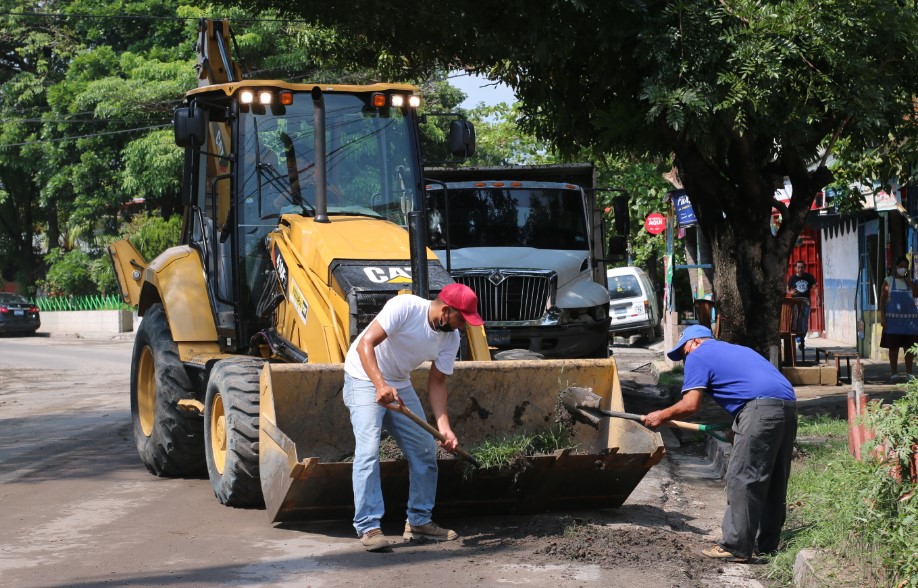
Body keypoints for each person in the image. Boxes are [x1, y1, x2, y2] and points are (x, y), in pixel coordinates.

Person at [342, 283, 484, 551]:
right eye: (461, 320)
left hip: (399, 383)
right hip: (362, 376)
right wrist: (380, 385)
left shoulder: (450, 339)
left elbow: (438, 382)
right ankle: (369, 526)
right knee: (369, 450)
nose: (463, 327)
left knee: (424, 449)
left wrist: (445, 429)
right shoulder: (404, 307)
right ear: (445, 310)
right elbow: (365, 344)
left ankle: (419, 521)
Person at [644, 325, 797, 562]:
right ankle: (766, 545)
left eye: (683, 352)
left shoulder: (698, 355)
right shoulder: (738, 350)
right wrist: (740, 429)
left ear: (694, 342)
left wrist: (661, 416)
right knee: (774, 479)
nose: (685, 359)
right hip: (787, 408)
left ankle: (735, 545)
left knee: (743, 477)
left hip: (758, 410)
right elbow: (753, 389)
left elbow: (690, 405)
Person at [879, 255, 918, 380]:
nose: (903, 269)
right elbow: (882, 301)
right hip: (893, 322)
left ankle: (909, 373)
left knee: (909, 349)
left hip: (910, 323)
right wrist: (883, 318)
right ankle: (894, 372)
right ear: (896, 267)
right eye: (901, 266)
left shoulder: (910, 283)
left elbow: (916, 294)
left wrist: (908, 281)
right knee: (894, 348)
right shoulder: (888, 281)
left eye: (906, 267)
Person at [786, 260, 818, 349]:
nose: (800, 269)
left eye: (802, 267)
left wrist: (818, 298)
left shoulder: (809, 277)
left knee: (803, 320)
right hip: (795, 301)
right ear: (795, 268)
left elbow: (815, 287)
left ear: (804, 268)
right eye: (798, 267)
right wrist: (790, 292)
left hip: (805, 301)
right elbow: (787, 288)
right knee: (795, 318)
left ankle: (802, 338)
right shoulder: (793, 278)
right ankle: (797, 337)